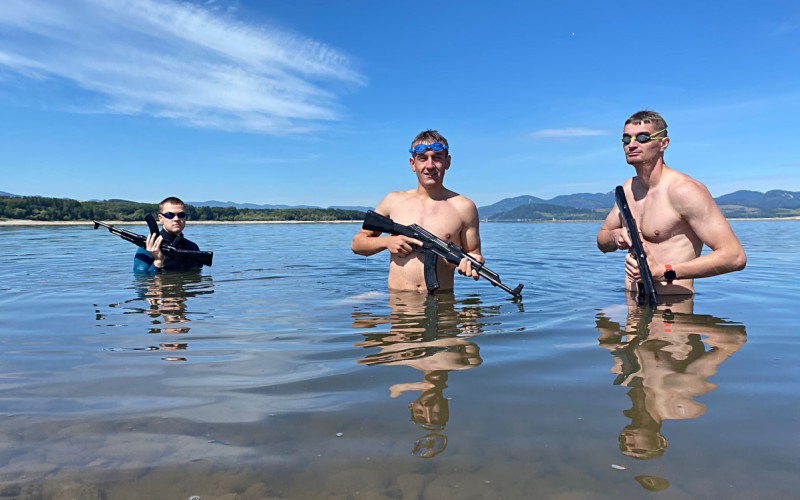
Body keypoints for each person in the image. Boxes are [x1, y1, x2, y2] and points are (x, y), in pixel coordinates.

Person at [597, 110, 747, 295]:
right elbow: (602, 240)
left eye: (643, 137)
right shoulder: (628, 189)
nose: (632, 145)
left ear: (663, 143)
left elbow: (734, 257)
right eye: (626, 139)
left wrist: (663, 272)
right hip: (633, 307)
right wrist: (616, 236)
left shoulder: (684, 191)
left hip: (672, 313)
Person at [351, 130, 483, 293]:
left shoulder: (464, 207)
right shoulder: (393, 200)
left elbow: (474, 254)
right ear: (413, 164)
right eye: (423, 159)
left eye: (436, 158)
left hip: (442, 303)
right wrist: (386, 242)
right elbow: (357, 244)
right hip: (399, 302)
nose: (429, 165)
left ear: (447, 162)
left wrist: (472, 264)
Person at [133, 196, 203, 273]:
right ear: (160, 218)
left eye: (181, 215)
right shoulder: (148, 247)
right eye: (170, 215)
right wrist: (158, 261)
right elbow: (141, 278)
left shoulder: (193, 247)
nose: (176, 219)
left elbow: (198, 276)